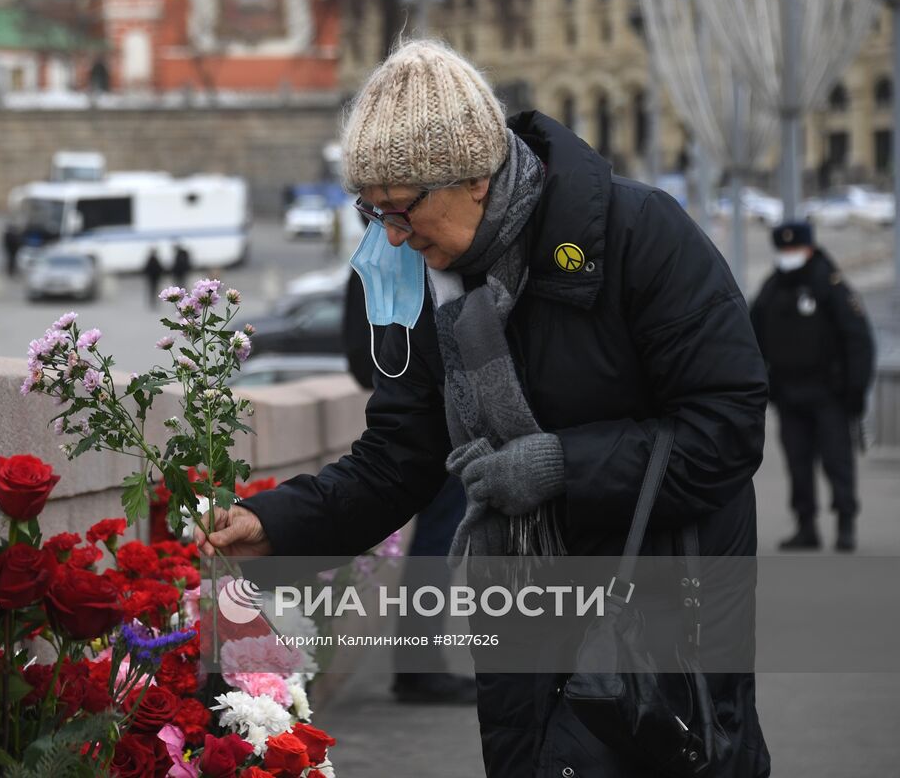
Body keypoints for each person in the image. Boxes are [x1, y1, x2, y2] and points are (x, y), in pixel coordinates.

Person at [195, 40, 770, 777]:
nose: (392, 237)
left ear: (474, 178)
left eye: (401, 211)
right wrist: (276, 522)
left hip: (663, 602)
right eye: (373, 213)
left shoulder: (638, 233)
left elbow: (727, 424)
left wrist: (560, 466)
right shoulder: (430, 281)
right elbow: (398, 458)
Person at [342, 247, 476, 705]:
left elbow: (361, 359)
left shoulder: (370, 265)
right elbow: (367, 357)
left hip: (414, 420)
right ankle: (420, 668)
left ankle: (420, 666)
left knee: (435, 547)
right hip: (434, 424)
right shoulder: (404, 261)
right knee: (436, 549)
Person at [750, 221, 875, 552]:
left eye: (794, 249)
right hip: (789, 393)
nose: (789, 255)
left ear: (809, 248)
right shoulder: (772, 288)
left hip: (829, 393)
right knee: (798, 463)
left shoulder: (830, 284)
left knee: (837, 462)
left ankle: (845, 524)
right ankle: (806, 526)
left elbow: (858, 339)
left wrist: (855, 392)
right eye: (784, 250)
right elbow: (751, 337)